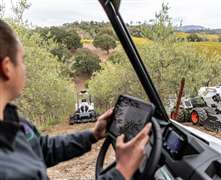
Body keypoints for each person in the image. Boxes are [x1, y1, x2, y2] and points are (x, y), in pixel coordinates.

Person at [0, 19, 151, 180]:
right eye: (23, 60)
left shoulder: (13, 121)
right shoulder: (8, 169)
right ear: (7, 67)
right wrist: (122, 171)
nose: (25, 68)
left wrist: (92, 134)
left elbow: (42, 149)